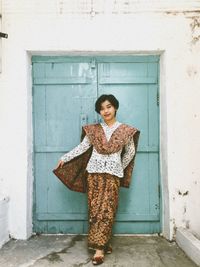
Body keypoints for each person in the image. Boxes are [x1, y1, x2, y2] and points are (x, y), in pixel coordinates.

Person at [54, 94, 140, 265]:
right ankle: (102, 244)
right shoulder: (93, 130)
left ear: (115, 107)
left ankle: (100, 248)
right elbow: (83, 147)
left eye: (108, 106)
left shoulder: (126, 131)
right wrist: (65, 157)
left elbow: (130, 152)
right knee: (95, 211)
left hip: (112, 176)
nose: (105, 110)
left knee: (108, 210)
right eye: (102, 108)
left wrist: (117, 166)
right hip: (93, 174)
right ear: (99, 111)